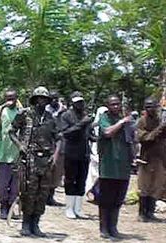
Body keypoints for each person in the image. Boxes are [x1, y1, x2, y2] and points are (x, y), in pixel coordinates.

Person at [9, 86, 57, 237]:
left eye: (44, 99)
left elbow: (57, 137)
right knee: (28, 192)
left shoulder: (50, 117)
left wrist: (54, 155)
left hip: (45, 160)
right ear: (34, 99)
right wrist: (20, 145)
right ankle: (26, 224)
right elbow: (11, 131)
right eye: (39, 98)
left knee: (43, 193)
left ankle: (36, 224)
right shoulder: (25, 114)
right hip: (29, 159)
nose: (41, 101)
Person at [97, 94, 133, 239]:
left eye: (118, 104)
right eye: (113, 104)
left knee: (118, 200)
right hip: (108, 167)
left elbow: (131, 140)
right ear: (108, 106)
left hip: (123, 168)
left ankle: (113, 227)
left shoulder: (125, 121)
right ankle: (104, 228)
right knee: (106, 200)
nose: (116, 107)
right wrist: (123, 122)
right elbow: (107, 132)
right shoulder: (105, 118)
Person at [60, 91, 92, 219]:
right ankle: (69, 208)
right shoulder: (66, 115)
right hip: (71, 152)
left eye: (81, 102)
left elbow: (88, 134)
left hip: (84, 153)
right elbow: (65, 133)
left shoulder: (85, 115)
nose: (80, 104)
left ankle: (78, 208)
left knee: (81, 180)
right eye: (77, 102)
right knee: (70, 180)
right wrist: (82, 124)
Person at [0, 88, 21, 220]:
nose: (10, 101)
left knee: (15, 187)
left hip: (17, 154)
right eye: (8, 98)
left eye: (13, 98)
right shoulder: (0, 110)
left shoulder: (21, 111)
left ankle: (11, 210)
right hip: (3, 153)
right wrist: (2, 108)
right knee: (3, 186)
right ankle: (3, 208)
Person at [136, 97, 166, 222]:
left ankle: (150, 212)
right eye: (147, 106)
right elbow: (144, 138)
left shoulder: (159, 120)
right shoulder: (142, 121)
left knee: (157, 186)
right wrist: (160, 129)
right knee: (145, 186)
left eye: (152, 106)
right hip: (146, 158)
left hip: (160, 157)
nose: (150, 109)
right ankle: (142, 213)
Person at [45, 90, 66, 206]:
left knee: (57, 172)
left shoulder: (64, 109)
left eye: (55, 98)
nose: (54, 101)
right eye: (51, 98)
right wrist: (58, 113)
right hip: (47, 143)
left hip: (60, 143)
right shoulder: (46, 110)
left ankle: (51, 197)